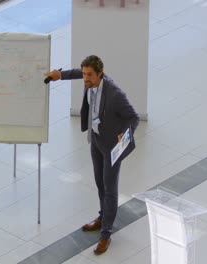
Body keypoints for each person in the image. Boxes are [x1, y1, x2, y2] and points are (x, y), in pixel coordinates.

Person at [45, 55, 139, 255]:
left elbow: (134, 117)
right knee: (100, 183)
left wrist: (126, 134)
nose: (85, 79)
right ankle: (103, 216)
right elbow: (77, 72)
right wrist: (58, 75)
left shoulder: (114, 95)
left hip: (112, 146)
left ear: (100, 74)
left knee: (110, 188)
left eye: (89, 75)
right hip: (96, 140)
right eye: (84, 74)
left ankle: (106, 233)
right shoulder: (89, 79)